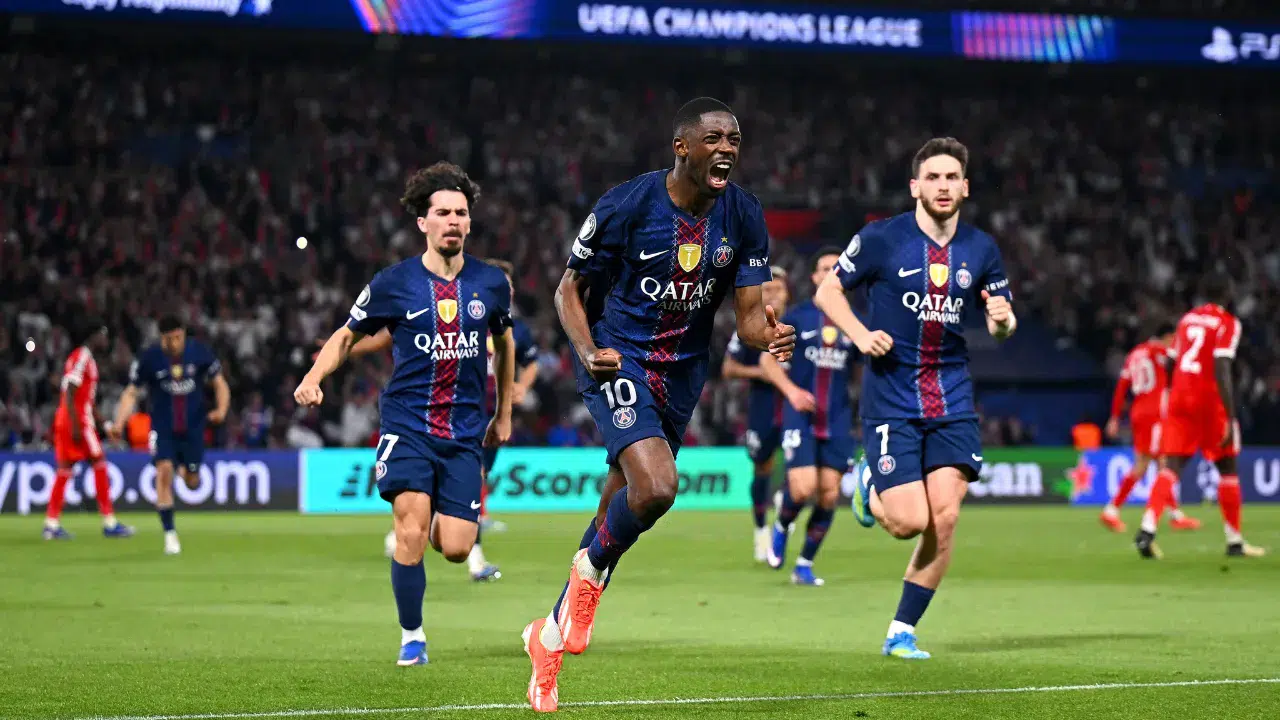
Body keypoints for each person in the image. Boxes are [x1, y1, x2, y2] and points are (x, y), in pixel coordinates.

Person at [520, 97, 796, 713]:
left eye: (734, 139)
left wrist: (771, 335)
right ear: (683, 147)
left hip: (683, 374)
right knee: (657, 488)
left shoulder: (744, 214)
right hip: (619, 358)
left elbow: (748, 321)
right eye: (714, 138)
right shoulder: (627, 204)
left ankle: (548, 638)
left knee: (617, 507)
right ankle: (589, 576)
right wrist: (587, 350)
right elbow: (569, 289)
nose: (726, 149)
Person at [294, 162, 516, 667]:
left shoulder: (490, 283)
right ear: (423, 222)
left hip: (464, 432)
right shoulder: (394, 283)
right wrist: (314, 377)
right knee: (410, 532)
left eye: (461, 213)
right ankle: (412, 637)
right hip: (408, 426)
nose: (453, 221)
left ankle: (440, 512)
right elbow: (346, 335)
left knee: (457, 548)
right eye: (443, 213)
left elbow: (505, 346)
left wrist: (502, 414)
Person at [820, 137, 1016, 661]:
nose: (943, 186)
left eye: (952, 177)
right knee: (910, 523)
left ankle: (901, 630)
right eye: (933, 177)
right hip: (891, 396)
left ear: (965, 187)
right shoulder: (882, 238)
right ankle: (869, 482)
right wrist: (861, 336)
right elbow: (827, 291)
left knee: (945, 519)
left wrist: (1002, 321)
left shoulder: (981, 248)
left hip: (951, 396)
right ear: (915, 187)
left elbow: (1003, 325)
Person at [358, 257, 537, 582]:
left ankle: (415, 530)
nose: (506, 289)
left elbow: (528, 361)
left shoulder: (513, 328)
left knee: (472, 478)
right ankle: (475, 560)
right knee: (468, 477)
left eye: (510, 285)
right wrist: (350, 347)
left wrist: (519, 388)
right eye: (502, 283)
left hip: (489, 414)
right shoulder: (464, 312)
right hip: (456, 415)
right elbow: (390, 335)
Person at [1136, 275, 1264, 559]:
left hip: (1181, 396)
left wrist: (1175, 392)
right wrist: (1229, 414)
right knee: (1227, 467)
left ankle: (1147, 529)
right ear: (1228, 294)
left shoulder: (1187, 320)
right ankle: (1234, 541)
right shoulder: (1228, 323)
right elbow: (1222, 365)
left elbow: (1171, 361)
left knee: (1172, 466)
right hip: (1208, 399)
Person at [759, 248, 857, 585]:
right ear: (815, 277)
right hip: (801, 416)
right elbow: (767, 361)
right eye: (824, 268)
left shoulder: (854, 321)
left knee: (829, 494)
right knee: (802, 490)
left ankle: (804, 565)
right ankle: (782, 524)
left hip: (837, 419)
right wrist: (792, 392)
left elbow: (864, 370)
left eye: (836, 268)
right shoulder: (799, 317)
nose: (830, 272)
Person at [112, 316, 229, 555]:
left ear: (184, 334)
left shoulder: (199, 352)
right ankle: (170, 535)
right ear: (161, 338)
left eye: (178, 337)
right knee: (164, 471)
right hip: (162, 429)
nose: (175, 343)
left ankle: (184, 470)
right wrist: (119, 423)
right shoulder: (150, 358)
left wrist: (221, 410)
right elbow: (131, 393)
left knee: (192, 482)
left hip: (194, 428)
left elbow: (220, 383)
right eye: (170, 339)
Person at [721, 266, 791, 562]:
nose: (773, 294)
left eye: (779, 289)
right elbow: (728, 369)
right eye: (768, 289)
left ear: (788, 293)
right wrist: (762, 373)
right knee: (762, 468)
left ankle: (784, 515)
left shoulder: (802, 324)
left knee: (798, 470)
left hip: (795, 407)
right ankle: (761, 529)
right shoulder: (751, 329)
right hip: (763, 408)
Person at [1101, 326, 1199, 532]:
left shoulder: (1135, 353)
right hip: (1156, 413)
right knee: (1155, 463)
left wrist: (1115, 416)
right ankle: (1113, 510)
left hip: (1138, 411)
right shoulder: (1161, 352)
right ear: (1168, 337)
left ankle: (1174, 514)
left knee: (1158, 462)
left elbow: (1122, 386)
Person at [44, 319, 134, 540]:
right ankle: (109, 522)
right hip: (77, 422)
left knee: (65, 469)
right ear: (93, 336)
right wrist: (75, 425)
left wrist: (105, 425)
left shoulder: (86, 358)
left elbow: (87, 401)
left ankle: (51, 524)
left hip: (73, 419)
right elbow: (69, 389)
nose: (105, 339)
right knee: (99, 463)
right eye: (103, 335)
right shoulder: (82, 356)